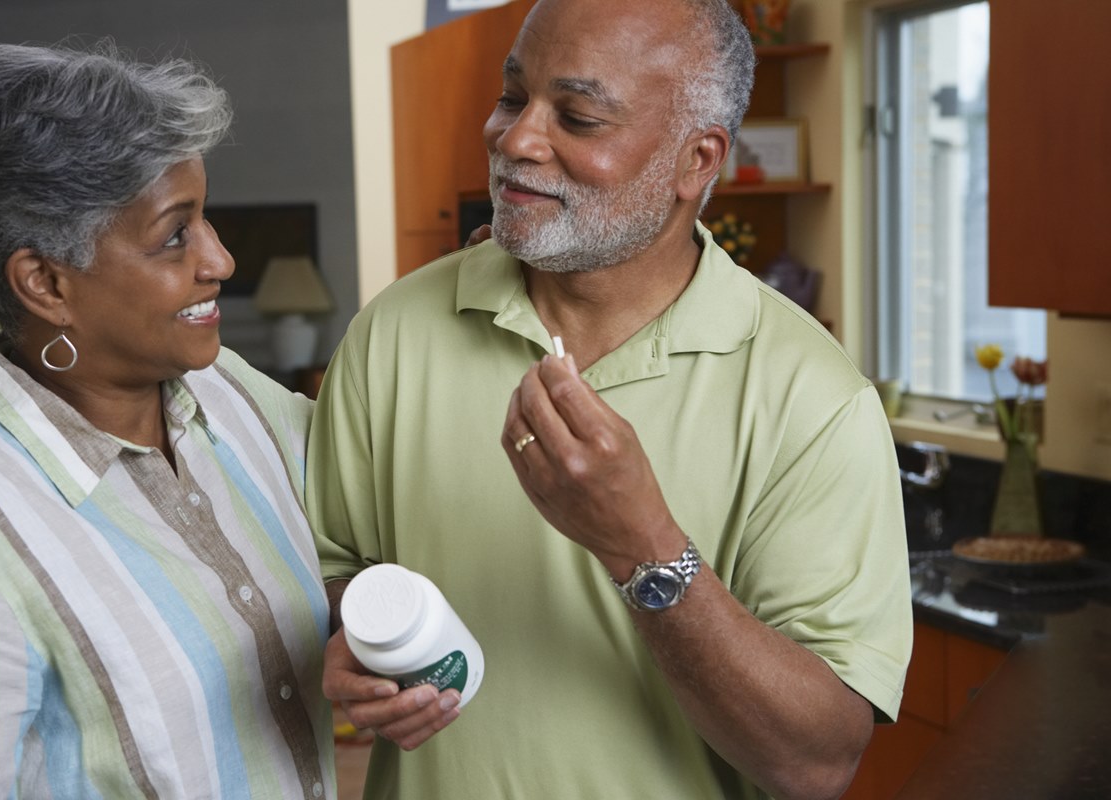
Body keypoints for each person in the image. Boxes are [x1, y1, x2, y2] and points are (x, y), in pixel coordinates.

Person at [310, 0, 912, 797]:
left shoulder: (814, 400)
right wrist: (362, 638)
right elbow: (325, 574)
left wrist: (646, 547)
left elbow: (815, 762)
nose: (516, 139)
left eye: (581, 117)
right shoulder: (395, 330)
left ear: (696, 162)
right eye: (512, 96)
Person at [0, 43, 336, 798]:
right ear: (44, 282)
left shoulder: (231, 393)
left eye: (206, 219)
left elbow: (361, 523)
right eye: (175, 234)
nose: (221, 260)